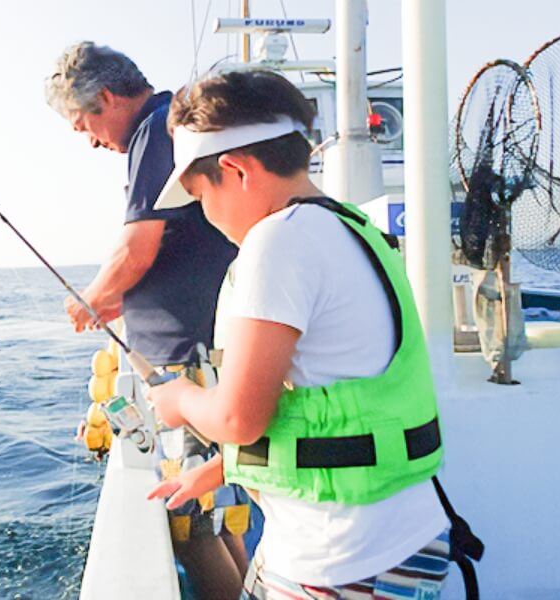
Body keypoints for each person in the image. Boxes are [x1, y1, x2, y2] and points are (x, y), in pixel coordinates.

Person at [147, 69, 456, 599]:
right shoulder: (352, 228)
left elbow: (238, 417)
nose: (206, 215)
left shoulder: (277, 242)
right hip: (407, 538)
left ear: (236, 171)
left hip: (342, 559)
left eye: (201, 197)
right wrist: (221, 470)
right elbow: (337, 400)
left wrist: (177, 398)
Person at [45, 42, 248, 599]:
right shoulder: (167, 126)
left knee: (190, 523)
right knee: (215, 512)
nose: (88, 139)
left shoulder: (153, 131)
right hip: (201, 352)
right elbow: (171, 243)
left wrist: (90, 297)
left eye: (83, 122)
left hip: (185, 359)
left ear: (107, 97)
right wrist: (114, 301)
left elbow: (139, 245)